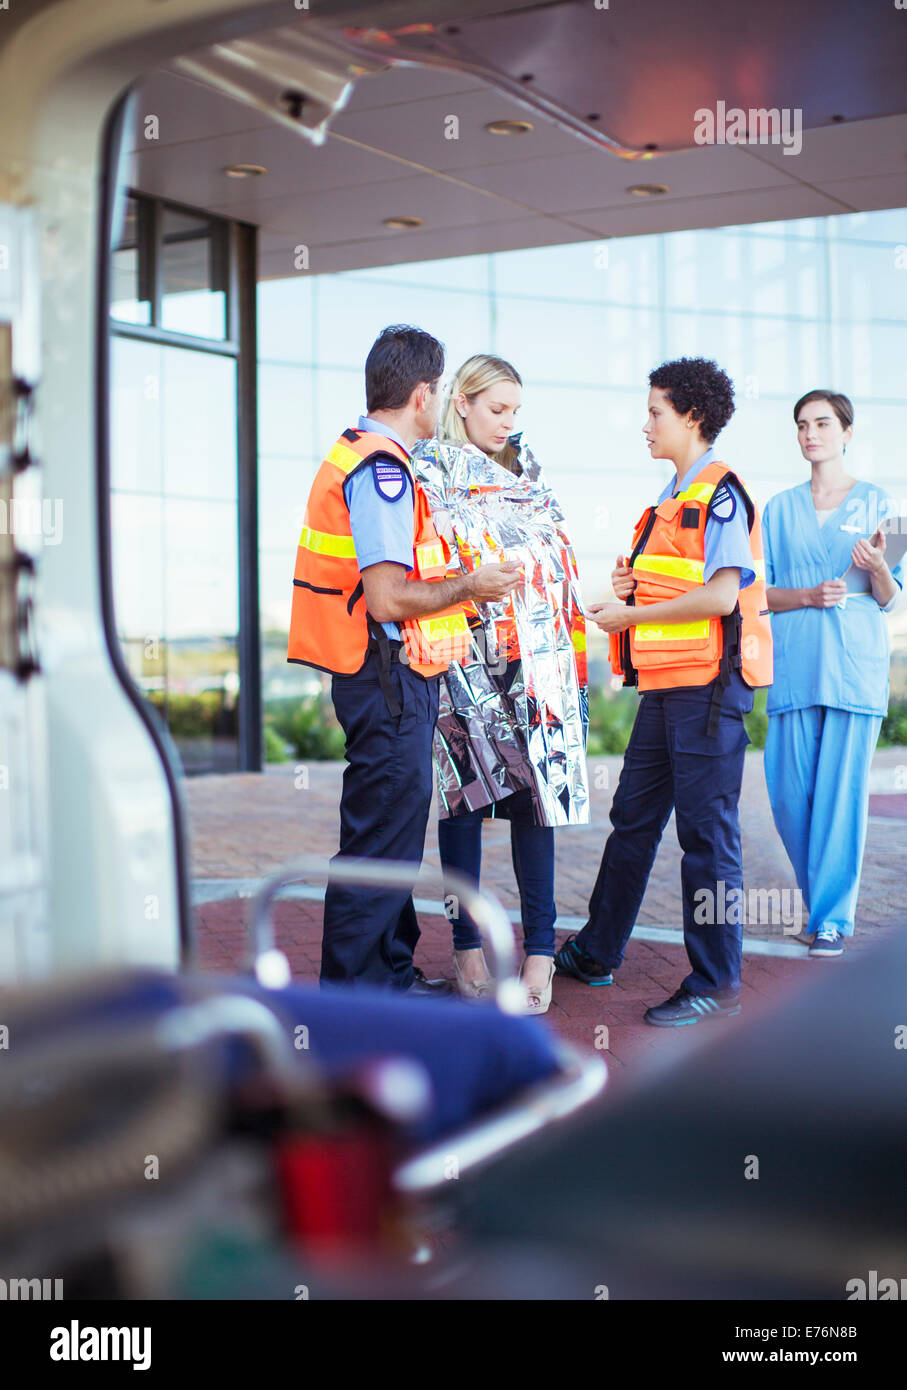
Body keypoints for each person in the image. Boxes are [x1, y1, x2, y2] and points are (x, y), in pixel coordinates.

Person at [286, 325, 520, 991]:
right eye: (439, 389)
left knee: (390, 831)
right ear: (423, 394)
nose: (438, 399)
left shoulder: (368, 457)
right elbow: (387, 598)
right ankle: (359, 997)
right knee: (379, 839)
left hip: (385, 677)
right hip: (384, 677)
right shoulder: (382, 470)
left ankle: (389, 973)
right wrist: (470, 586)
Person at [554, 357, 773, 1026]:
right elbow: (672, 584)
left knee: (707, 838)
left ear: (691, 416)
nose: (643, 424)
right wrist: (628, 592)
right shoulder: (667, 499)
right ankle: (597, 951)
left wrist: (630, 617)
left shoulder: (720, 493)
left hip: (709, 690)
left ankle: (716, 982)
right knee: (633, 821)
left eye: (654, 412)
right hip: (666, 688)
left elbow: (720, 593)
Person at [412, 355, 589, 1014]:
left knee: (534, 802)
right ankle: (466, 949)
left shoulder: (524, 475)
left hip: (530, 663)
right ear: (461, 401)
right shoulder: (427, 473)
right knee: (462, 803)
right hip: (460, 658)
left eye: (515, 411)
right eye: (496, 409)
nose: (507, 423)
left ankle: (538, 954)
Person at [762, 389, 903, 958]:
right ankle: (823, 907)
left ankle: (829, 920)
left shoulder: (881, 504)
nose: (809, 433)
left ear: (846, 433)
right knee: (789, 794)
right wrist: (807, 595)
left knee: (841, 798)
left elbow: (891, 598)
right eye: (801, 425)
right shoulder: (777, 509)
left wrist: (876, 569)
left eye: (822, 423)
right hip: (795, 666)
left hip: (852, 667)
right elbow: (760, 595)